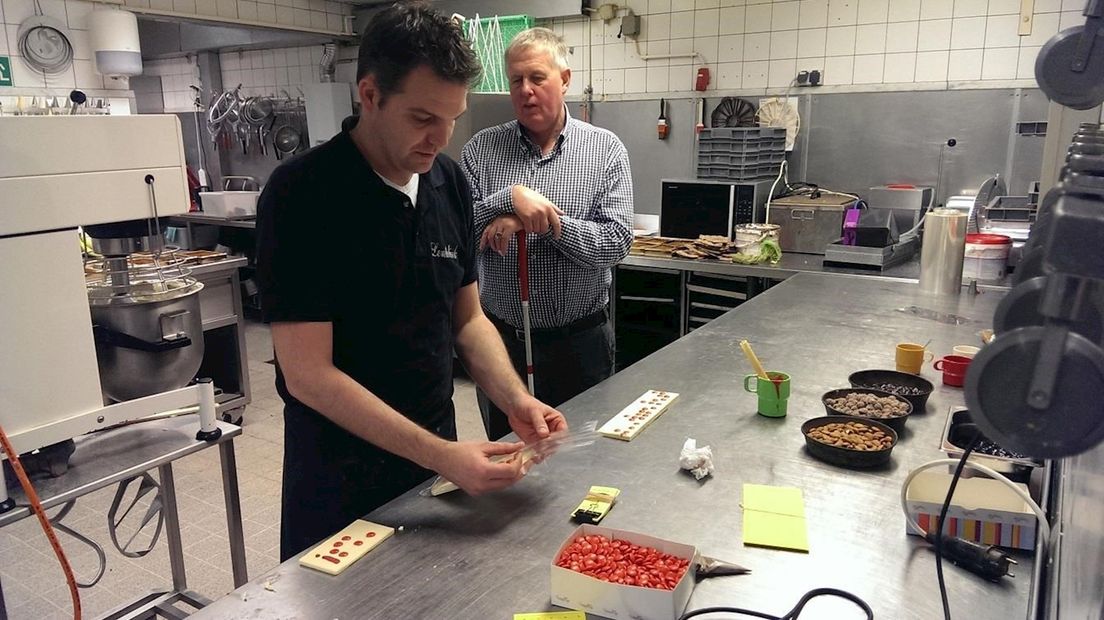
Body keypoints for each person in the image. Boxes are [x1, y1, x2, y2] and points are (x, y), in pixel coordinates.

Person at [255, 2, 567, 561]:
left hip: (435, 470)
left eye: (452, 118)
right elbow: (307, 375)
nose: (440, 138)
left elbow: (467, 319)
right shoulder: (302, 194)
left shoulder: (447, 181)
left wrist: (515, 399)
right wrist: (442, 455)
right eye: (423, 119)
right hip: (340, 479)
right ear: (370, 95)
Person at [460, 27, 634, 440]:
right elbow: (454, 237)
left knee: (586, 452)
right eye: (516, 80)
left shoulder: (605, 150)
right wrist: (508, 198)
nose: (526, 90)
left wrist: (541, 222)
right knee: (512, 456)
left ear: (565, 79)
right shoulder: (481, 150)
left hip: (581, 343)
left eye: (537, 77)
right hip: (501, 345)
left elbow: (615, 243)